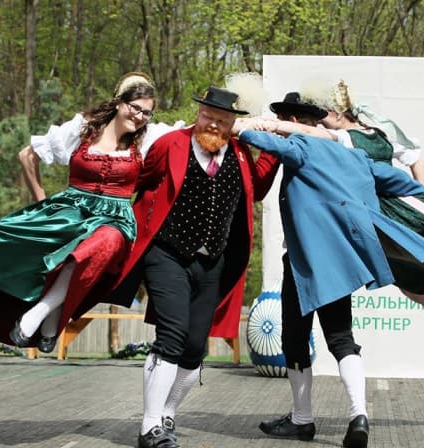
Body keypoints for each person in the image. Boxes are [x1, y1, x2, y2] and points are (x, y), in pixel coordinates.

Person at [234, 101, 424, 447]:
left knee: (295, 338)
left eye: (282, 120)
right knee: (341, 338)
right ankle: (358, 415)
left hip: (305, 262)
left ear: (292, 122)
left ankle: (302, 420)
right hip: (340, 260)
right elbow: (399, 181)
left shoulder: (301, 145)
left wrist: (241, 128)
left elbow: (273, 144)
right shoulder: (355, 158)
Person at [0, 73, 158, 353]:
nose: (140, 117)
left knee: (103, 242)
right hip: (72, 211)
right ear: (120, 102)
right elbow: (27, 155)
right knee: (66, 256)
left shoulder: (147, 139)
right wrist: (42, 201)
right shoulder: (83, 129)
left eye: (147, 113)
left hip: (116, 220)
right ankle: (50, 323)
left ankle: (37, 314)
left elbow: (187, 138)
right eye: (136, 108)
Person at [106, 85, 279, 448]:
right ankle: (149, 427)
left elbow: (257, 189)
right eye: (208, 117)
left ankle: (167, 413)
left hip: (212, 262)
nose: (213, 125)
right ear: (198, 114)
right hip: (166, 254)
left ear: (232, 124)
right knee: (171, 337)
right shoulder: (170, 144)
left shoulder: (241, 154)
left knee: (195, 347)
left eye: (222, 121)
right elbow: (138, 182)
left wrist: (275, 148)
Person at [316, 79, 424, 183]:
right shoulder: (381, 134)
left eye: (322, 115)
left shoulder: (343, 137)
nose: (319, 121)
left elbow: (309, 133)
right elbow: (415, 156)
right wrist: (422, 192)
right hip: (389, 196)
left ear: (338, 114)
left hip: (363, 196)